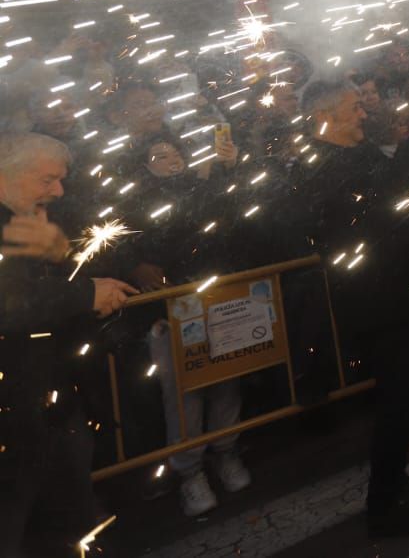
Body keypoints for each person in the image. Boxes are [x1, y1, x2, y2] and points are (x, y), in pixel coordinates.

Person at [293, 81, 409, 537]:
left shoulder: (358, 153)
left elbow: (407, 188)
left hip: (400, 292)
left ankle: (395, 484)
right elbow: (388, 194)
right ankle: (383, 506)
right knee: (396, 399)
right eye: (352, 108)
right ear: (324, 116)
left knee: (404, 396)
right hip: (374, 301)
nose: (363, 115)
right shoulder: (319, 165)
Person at [0, 133, 136, 555]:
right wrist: (83, 296)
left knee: (66, 510)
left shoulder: (29, 220)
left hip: (50, 398)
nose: (58, 191)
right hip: (12, 409)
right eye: (47, 180)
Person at [124, 131, 256, 517]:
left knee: (226, 382)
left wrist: (227, 169)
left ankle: (227, 452)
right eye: (159, 155)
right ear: (144, 167)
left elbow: (233, 219)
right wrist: (135, 267)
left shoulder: (204, 190)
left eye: (174, 151)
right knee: (184, 395)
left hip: (219, 300)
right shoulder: (134, 204)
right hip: (170, 312)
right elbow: (128, 248)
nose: (171, 159)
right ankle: (190, 472)